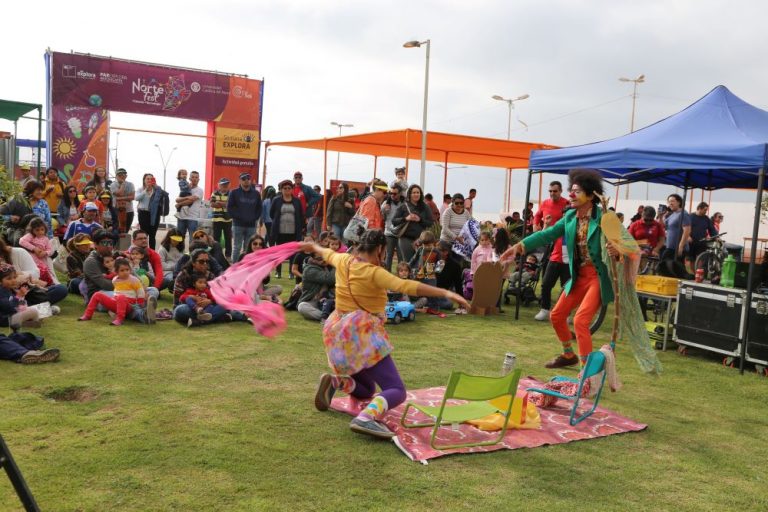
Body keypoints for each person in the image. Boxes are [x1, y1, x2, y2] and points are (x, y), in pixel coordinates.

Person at [304, 229, 469, 438]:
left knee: (366, 390)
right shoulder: (373, 272)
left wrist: (311, 246)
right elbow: (406, 285)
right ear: (380, 249)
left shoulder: (342, 260)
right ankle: (366, 418)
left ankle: (336, 382)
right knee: (396, 390)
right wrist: (447, 292)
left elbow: (325, 252)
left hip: (337, 333)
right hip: (362, 334)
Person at [502, 169, 623, 369]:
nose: (571, 195)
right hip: (579, 276)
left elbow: (626, 246)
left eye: (577, 191)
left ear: (590, 196)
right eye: (571, 191)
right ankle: (568, 355)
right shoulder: (570, 217)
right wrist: (520, 245)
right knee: (557, 315)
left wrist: (617, 250)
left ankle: (586, 372)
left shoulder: (605, 217)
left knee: (580, 321)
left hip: (598, 277)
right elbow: (547, 234)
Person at [532, 180, 570, 322]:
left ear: (560, 191)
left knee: (567, 286)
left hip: (566, 247)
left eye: (555, 191)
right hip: (551, 246)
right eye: (550, 191)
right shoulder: (545, 203)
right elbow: (537, 215)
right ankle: (545, 309)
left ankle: (565, 313)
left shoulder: (567, 204)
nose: (552, 193)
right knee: (546, 283)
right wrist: (536, 224)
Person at [79, 257, 146, 326]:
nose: (125, 272)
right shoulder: (115, 280)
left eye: (127, 270)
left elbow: (140, 291)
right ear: (116, 272)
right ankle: (87, 315)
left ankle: (120, 319)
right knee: (97, 294)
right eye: (122, 270)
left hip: (130, 305)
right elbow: (116, 291)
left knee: (121, 297)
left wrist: (140, 303)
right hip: (116, 302)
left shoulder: (134, 280)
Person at [270, 180, 304, 279]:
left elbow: (300, 215)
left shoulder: (297, 201)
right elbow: (271, 214)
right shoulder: (276, 200)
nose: (287, 190)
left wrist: (301, 228)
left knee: (292, 253)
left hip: (293, 231)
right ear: (281, 189)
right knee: (280, 252)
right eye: (285, 188)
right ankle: (278, 272)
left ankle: (291, 272)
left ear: (292, 189)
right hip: (279, 231)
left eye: (289, 188)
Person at [392, 184, 433, 264]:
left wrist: (420, 220)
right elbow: (394, 221)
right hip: (406, 239)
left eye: (418, 192)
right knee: (408, 263)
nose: (416, 194)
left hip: (421, 240)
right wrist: (406, 218)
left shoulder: (425, 207)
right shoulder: (403, 206)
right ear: (409, 194)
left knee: (420, 263)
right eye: (414, 192)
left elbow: (430, 223)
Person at [227, 172, 263, 263]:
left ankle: (246, 266)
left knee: (249, 247)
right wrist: (238, 217)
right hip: (238, 224)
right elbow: (229, 208)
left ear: (250, 180)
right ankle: (235, 267)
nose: (246, 181)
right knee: (237, 247)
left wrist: (254, 218)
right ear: (240, 181)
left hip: (251, 225)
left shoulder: (256, 194)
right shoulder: (234, 192)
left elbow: (259, 208)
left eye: (248, 179)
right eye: (243, 179)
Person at [408, 230, 445, 314]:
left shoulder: (437, 252)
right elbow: (413, 259)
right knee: (421, 290)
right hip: (420, 274)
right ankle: (424, 305)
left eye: (429, 245)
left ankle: (435, 307)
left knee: (432, 291)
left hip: (431, 275)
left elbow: (441, 263)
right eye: (425, 245)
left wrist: (437, 271)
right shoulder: (420, 249)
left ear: (433, 243)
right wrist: (408, 266)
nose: (427, 247)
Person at [0, 264, 42, 330]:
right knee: (33, 311)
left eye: (14, 277)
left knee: (42, 309)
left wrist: (22, 297)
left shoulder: (9, 289)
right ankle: (32, 323)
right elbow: (9, 308)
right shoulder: (1, 292)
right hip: (5, 319)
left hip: (13, 314)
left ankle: (32, 320)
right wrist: (18, 296)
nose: (13, 280)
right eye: (9, 278)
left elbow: (19, 306)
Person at [19, 217, 57, 285]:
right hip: (32, 259)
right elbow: (21, 241)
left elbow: (50, 250)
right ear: (32, 230)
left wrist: (45, 253)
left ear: (45, 229)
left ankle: (50, 283)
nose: (40, 232)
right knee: (36, 272)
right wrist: (34, 248)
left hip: (43, 260)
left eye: (42, 229)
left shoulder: (46, 239)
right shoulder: (31, 236)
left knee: (46, 272)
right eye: (37, 230)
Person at [297, 255, 336, 321]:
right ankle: (329, 318)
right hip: (314, 301)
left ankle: (330, 315)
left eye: (325, 258)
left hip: (330, 299)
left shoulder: (327, 266)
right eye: (320, 259)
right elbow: (329, 279)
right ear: (312, 259)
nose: (324, 260)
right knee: (302, 307)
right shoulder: (310, 270)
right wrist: (336, 265)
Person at [135, 173, 168, 249]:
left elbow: (165, 195)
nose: (149, 180)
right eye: (147, 179)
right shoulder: (140, 189)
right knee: (144, 235)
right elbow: (137, 198)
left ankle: (152, 252)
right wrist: (146, 190)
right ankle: (143, 251)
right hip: (143, 213)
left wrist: (156, 186)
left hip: (154, 214)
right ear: (144, 180)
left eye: (151, 179)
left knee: (152, 235)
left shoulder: (157, 189)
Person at [381, 184, 405, 272]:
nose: (392, 195)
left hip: (401, 233)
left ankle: (401, 276)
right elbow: (382, 217)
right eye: (391, 193)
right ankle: (387, 275)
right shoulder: (386, 203)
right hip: (389, 233)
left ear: (400, 193)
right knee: (389, 256)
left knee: (401, 256)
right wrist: (384, 210)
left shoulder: (404, 203)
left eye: (395, 193)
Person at [662, 193, 691, 263]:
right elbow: (663, 226)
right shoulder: (673, 214)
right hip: (670, 247)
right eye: (669, 202)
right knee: (670, 267)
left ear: (679, 202)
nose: (670, 203)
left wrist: (681, 246)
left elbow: (687, 230)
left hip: (676, 248)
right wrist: (661, 216)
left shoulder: (683, 214)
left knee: (665, 265)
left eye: (672, 201)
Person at [175, 170, 204, 240]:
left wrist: (179, 204)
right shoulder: (184, 189)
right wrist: (187, 197)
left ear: (199, 179)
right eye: (193, 177)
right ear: (189, 178)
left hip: (192, 218)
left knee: (193, 240)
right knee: (179, 239)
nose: (194, 179)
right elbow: (177, 199)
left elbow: (190, 201)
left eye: (196, 177)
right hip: (181, 217)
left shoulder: (199, 190)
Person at [210, 177, 233, 259]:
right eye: (223, 184)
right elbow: (212, 204)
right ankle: (216, 255)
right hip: (216, 219)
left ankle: (228, 255)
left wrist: (219, 202)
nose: (225, 186)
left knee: (228, 238)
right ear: (219, 185)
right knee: (216, 238)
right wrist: (224, 204)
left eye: (226, 184)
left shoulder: (231, 194)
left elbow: (230, 205)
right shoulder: (214, 193)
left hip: (228, 219)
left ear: (229, 185)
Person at [109, 168, 136, 233]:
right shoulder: (113, 185)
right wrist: (123, 184)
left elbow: (132, 197)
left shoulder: (131, 184)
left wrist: (119, 198)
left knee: (126, 230)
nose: (121, 176)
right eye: (119, 175)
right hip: (116, 210)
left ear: (126, 176)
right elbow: (120, 193)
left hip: (129, 210)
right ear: (116, 176)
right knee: (117, 230)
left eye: (123, 174)